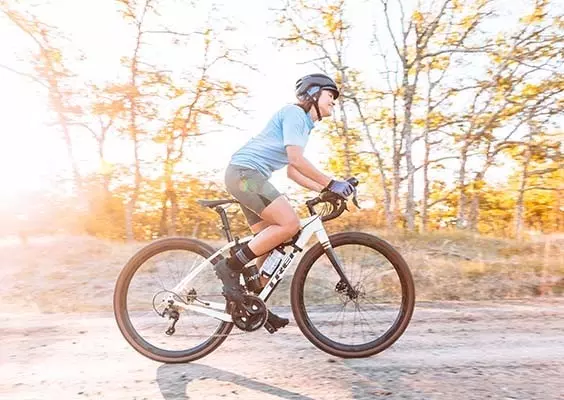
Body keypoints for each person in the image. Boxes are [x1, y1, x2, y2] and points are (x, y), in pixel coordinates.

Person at [215, 73, 355, 333]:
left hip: (246, 176)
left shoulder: (305, 125)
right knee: (290, 224)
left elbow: (293, 171)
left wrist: (324, 191)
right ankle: (230, 266)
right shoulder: (294, 114)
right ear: (313, 94)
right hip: (245, 175)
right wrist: (330, 183)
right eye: (330, 95)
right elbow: (296, 160)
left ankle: (254, 304)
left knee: (271, 243)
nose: (334, 101)